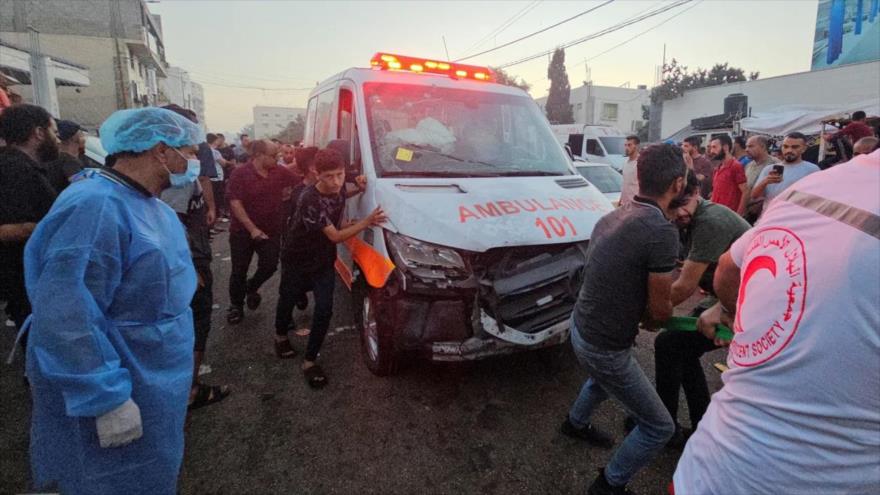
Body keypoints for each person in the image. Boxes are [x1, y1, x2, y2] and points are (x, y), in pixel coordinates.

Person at [673, 148, 880, 495]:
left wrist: (732, 313)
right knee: (671, 347)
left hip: (709, 468)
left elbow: (719, 272)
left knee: (672, 345)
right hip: (788, 474)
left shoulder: (817, 183)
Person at [23, 107, 204, 494]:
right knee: (106, 479)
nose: (194, 161)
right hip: (120, 376)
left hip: (155, 374)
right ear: (160, 150)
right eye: (188, 151)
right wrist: (104, 397)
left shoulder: (152, 206)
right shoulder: (94, 205)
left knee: (152, 473)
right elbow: (67, 313)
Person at [562, 143, 684, 495]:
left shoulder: (613, 214)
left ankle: (575, 423)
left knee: (602, 379)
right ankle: (610, 484)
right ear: (677, 184)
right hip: (603, 344)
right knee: (658, 426)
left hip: (580, 328)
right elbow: (660, 313)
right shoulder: (661, 231)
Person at [652, 172, 750, 448]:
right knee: (681, 350)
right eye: (672, 206)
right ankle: (694, 427)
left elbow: (683, 287)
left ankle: (663, 426)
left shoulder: (710, 221)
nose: (678, 212)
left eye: (684, 203)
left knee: (668, 343)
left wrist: (649, 313)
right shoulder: (690, 219)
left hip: (747, 300)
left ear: (697, 193)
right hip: (726, 296)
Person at [275, 148, 385, 388]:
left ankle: (310, 360)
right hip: (297, 258)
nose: (336, 181)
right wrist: (366, 221)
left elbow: (346, 192)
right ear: (317, 174)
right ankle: (280, 336)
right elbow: (335, 236)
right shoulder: (308, 199)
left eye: (340, 174)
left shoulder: (339, 187)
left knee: (324, 309)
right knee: (288, 298)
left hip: (323, 259)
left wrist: (361, 184)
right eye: (329, 176)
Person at [157, 109, 229, 412]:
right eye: (187, 147)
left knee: (195, 324)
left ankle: (185, 387)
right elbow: (170, 225)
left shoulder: (183, 174)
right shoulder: (170, 180)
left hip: (195, 255)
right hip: (190, 263)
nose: (193, 154)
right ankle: (187, 391)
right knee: (194, 323)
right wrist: (189, 267)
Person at [225, 139, 299, 323]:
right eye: (274, 156)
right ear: (258, 156)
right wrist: (252, 229)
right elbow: (235, 202)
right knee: (239, 270)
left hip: (272, 229)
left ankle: (252, 286)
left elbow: (302, 182)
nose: (278, 159)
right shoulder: (240, 174)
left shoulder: (279, 171)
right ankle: (236, 305)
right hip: (242, 231)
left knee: (270, 265)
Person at [0, 104, 58, 333]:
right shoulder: (14, 169)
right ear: (39, 133)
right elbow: (9, 228)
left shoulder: (24, 167)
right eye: (54, 131)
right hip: (25, 280)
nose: (58, 138)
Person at [751, 132, 820, 206]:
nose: (789, 150)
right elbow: (754, 196)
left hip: (799, 215)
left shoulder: (812, 170)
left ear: (804, 148)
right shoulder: (768, 169)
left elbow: (819, 197)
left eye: (795, 147)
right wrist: (765, 182)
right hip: (772, 214)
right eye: (785, 146)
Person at [741, 135, 778, 222]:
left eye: (750, 146)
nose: (746, 150)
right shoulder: (749, 165)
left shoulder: (775, 165)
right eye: (746, 146)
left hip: (765, 215)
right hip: (748, 213)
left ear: (763, 147)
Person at [708, 135, 747, 214]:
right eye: (711, 147)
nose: (711, 151)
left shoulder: (735, 166)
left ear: (725, 147)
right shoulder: (718, 169)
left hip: (729, 216)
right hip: (717, 214)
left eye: (714, 147)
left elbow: (746, 191)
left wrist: (738, 215)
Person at [45, 119, 86, 193]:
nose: (84, 138)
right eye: (81, 134)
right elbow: (81, 187)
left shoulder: (52, 158)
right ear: (73, 138)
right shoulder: (69, 162)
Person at [619, 135, 640, 206]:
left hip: (635, 205)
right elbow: (625, 184)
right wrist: (620, 199)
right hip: (624, 204)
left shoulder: (641, 163)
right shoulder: (625, 162)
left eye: (629, 145)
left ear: (636, 146)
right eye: (625, 145)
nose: (626, 148)